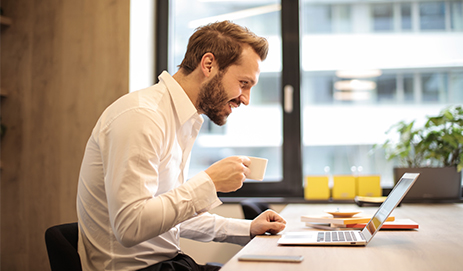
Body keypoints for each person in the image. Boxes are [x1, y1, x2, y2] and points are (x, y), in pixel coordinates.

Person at [76, 20, 286, 271]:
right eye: (243, 83)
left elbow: (168, 217)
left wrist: (248, 228)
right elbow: (130, 226)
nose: (246, 99)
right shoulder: (142, 116)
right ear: (208, 65)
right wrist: (209, 182)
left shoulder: (183, 120)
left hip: (168, 263)